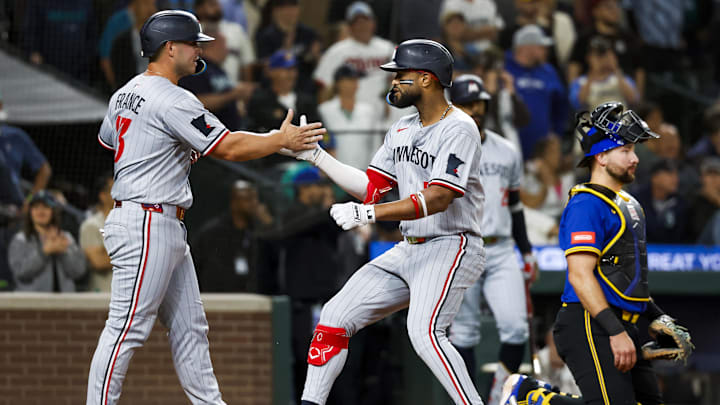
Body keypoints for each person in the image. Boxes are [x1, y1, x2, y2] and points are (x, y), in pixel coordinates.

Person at [86, 10, 325, 405]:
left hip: (154, 218)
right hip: (148, 219)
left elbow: (111, 143)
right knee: (126, 328)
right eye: (193, 43)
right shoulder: (173, 98)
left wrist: (167, 151)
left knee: (190, 328)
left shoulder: (124, 91)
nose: (200, 50)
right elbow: (229, 146)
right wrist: (279, 140)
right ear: (170, 48)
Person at [286, 39, 486, 405]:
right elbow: (373, 188)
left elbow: (440, 197)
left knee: (425, 333)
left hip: (452, 243)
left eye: (400, 74)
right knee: (334, 315)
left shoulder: (459, 127)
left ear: (426, 79)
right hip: (410, 248)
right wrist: (317, 157)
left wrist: (369, 214)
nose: (392, 81)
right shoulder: (401, 129)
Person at [500, 101, 692, 405]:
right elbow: (579, 276)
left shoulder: (630, 203)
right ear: (601, 156)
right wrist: (615, 332)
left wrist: (657, 316)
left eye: (633, 150)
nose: (635, 158)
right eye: (626, 150)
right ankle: (532, 398)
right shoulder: (586, 203)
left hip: (621, 322)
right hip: (589, 322)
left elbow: (627, 277)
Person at [446, 75, 538, 405]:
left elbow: (515, 206)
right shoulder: (442, 148)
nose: (475, 110)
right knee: (464, 333)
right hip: (460, 246)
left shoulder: (507, 151)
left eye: (480, 103)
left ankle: (499, 393)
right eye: (468, 104)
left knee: (516, 329)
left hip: (500, 248)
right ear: (453, 106)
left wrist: (526, 251)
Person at [191, 179, 274, 292]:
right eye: (248, 199)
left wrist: (268, 225)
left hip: (252, 298)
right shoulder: (212, 233)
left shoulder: (258, 232)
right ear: (234, 203)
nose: (254, 204)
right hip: (217, 298)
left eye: (255, 199)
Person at [312, 2, 395, 110]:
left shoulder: (388, 48)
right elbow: (323, 86)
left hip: (383, 111)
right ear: (350, 27)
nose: (362, 26)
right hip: (352, 113)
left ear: (373, 23)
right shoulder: (337, 51)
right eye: (357, 23)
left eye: (365, 21)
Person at [505, 24, 568, 160]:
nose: (546, 51)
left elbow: (560, 106)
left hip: (542, 150)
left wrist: (557, 134)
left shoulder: (548, 71)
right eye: (541, 47)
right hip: (510, 144)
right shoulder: (504, 68)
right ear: (527, 48)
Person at [179, 23, 254, 131]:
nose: (227, 51)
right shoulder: (197, 68)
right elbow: (197, 102)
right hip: (208, 135)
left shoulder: (218, 69)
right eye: (224, 45)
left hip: (228, 133)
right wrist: (233, 95)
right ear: (214, 45)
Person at [8, 191, 86, 292]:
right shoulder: (20, 240)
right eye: (36, 207)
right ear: (30, 212)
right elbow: (20, 273)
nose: (40, 211)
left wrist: (64, 252)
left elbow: (78, 271)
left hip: (64, 303)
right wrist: (44, 252)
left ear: (53, 211)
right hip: (30, 303)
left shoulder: (66, 237)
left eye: (45, 207)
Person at [318, 64, 381, 170]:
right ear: (338, 83)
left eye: (355, 79)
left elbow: (376, 145)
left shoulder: (369, 111)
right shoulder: (324, 110)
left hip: (364, 173)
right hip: (334, 173)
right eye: (350, 79)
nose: (354, 83)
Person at [247, 50, 319, 133]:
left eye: (294, 69)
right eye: (286, 70)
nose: (291, 74)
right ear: (271, 72)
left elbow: (317, 128)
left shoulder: (307, 101)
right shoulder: (260, 101)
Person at [98, 0, 157, 91]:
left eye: (153, 4)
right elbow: (105, 59)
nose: (150, 9)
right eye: (146, 4)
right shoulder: (118, 25)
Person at [568, 36, 639, 112]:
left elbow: (634, 100)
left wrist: (615, 69)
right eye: (598, 56)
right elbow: (576, 104)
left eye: (605, 55)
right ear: (588, 58)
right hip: (594, 122)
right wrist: (593, 73)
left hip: (621, 121)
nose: (602, 59)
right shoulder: (580, 82)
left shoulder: (622, 79)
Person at [194, 0, 256, 84]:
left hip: (234, 86)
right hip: (202, 85)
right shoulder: (192, 32)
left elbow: (247, 62)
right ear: (199, 9)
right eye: (212, 4)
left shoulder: (235, 30)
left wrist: (247, 90)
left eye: (218, 4)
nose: (217, 8)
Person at [79, 172, 115, 292]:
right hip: (101, 298)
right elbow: (98, 262)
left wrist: (108, 252)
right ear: (103, 195)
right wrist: (133, 254)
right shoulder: (91, 225)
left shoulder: (132, 224)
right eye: (115, 189)